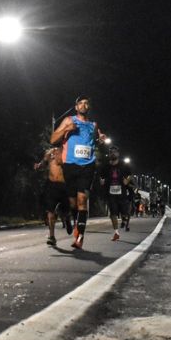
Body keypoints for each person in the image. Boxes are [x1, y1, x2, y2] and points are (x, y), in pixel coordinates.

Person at [50, 96, 106, 250]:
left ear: (89, 107)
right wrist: (67, 129)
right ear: (76, 107)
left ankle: (80, 237)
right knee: (73, 202)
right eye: (80, 103)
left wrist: (100, 139)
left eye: (86, 103)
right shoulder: (69, 120)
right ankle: (73, 219)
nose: (83, 105)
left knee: (82, 200)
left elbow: (95, 140)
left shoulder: (93, 125)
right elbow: (53, 139)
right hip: (70, 165)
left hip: (88, 166)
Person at [34, 146, 68, 247]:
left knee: (66, 208)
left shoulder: (68, 149)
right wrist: (39, 166)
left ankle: (66, 216)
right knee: (50, 211)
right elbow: (43, 164)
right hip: (51, 185)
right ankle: (51, 236)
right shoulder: (50, 152)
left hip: (65, 185)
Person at [99, 147, 129, 241]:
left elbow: (130, 174)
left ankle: (124, 219)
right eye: (111, 152)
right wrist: (101, 181)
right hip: (110, 192)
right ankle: (116, 232)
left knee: (124, 212)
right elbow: (101, 176)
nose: (112, 154)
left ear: (118, 154)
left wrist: (127, 180)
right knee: (113, 213)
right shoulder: (106, 166)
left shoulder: (123, 165)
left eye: (114, 152)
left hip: (122, 192)